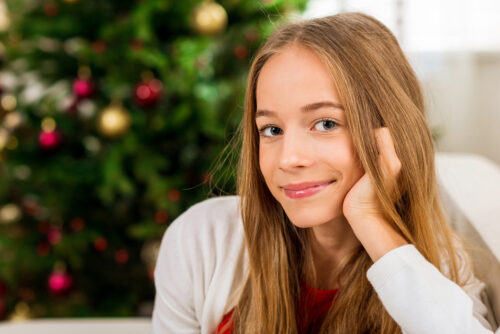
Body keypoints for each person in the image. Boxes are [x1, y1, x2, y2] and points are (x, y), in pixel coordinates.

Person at [150, 12, 498, 334]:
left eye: (326, 123)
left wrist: (371, 221)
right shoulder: (202, 242)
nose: (289, 158)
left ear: (389, 137)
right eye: (271, 130)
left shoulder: (437, 272)